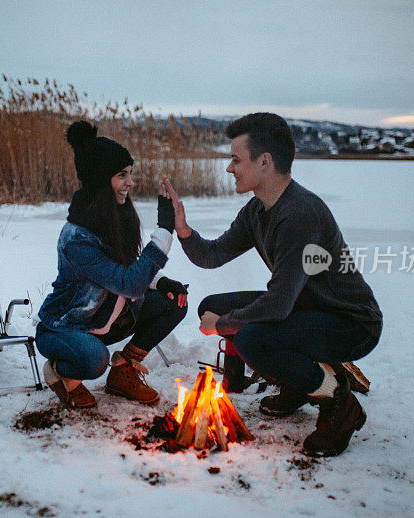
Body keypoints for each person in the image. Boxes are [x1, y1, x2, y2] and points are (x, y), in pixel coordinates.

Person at [163, 112, 382, 457]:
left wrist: (222, 326)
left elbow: (277, 305)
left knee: (252, 338)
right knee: (213, 306)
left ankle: (337, 400)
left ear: (264, 161)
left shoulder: (300, 215)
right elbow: (214, 253)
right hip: (302, 307)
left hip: (349, 323)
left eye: (236, 159)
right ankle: (298, 382)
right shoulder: (257, 210)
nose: (229, 168)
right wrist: (184, 229)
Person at [36, 121, 188, 409]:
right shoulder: (77, 239)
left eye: (129, 174)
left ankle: (124, 369)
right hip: (65, 328)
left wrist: (160, 283)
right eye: (122, 175)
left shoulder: (115, 216)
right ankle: (60, 373)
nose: (130, 182)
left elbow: (129, 269)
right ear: (100, 180)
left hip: (103, 320)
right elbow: (129, 284)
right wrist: (165, 230)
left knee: (174, 302)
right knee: (94, 360)